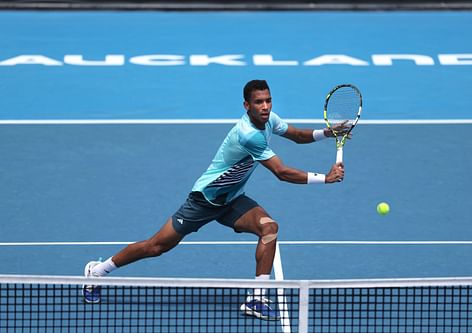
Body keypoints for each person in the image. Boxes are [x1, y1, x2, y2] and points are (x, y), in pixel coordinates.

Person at [83, 79, 348, 320]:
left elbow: (296, 135)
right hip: (204, 201)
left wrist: (328, 133)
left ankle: (257, 297)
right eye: (259, 102)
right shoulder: (249, 134)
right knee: (156, 246)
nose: (265, 106)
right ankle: (98, 272)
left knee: (269, 228)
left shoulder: (269, 121)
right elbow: (281, 172)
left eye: (268, 100)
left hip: (232, 200)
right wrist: (325, 178)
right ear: (247, 105)